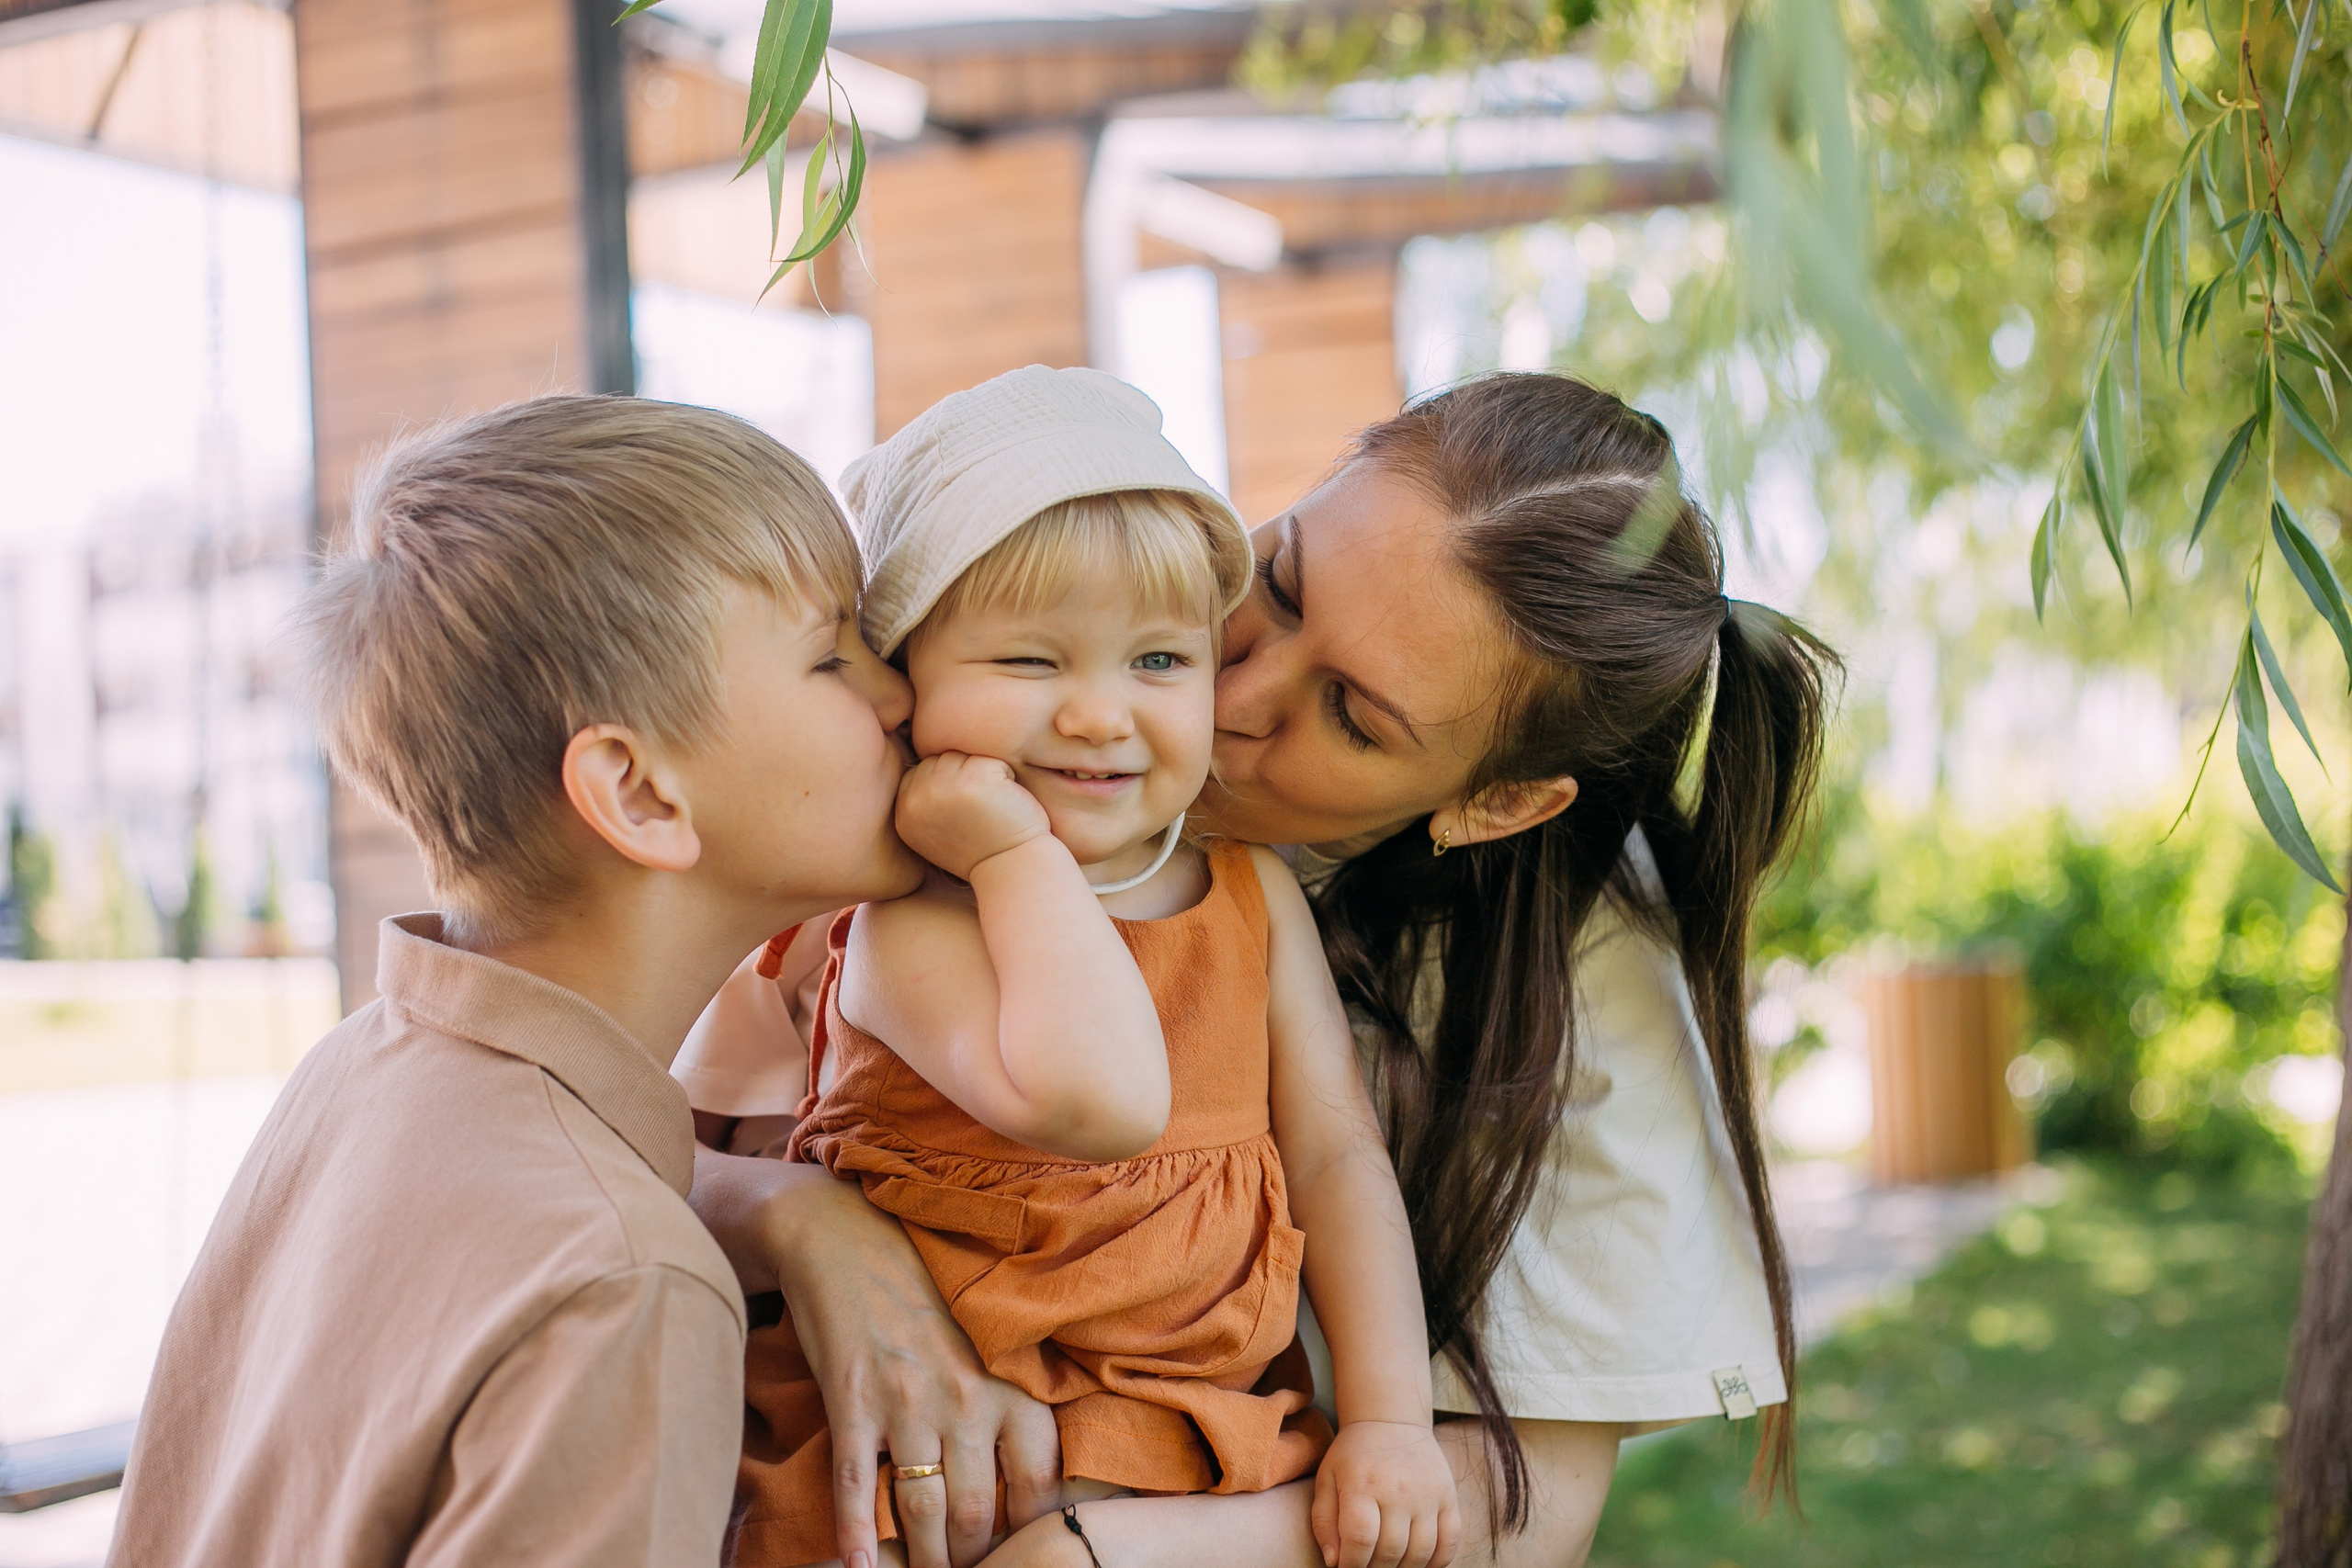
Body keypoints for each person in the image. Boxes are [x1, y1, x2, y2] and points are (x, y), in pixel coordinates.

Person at [686, 371, 1837, 1568]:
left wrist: (1083, 1553)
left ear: (1495, 804)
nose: (1228, 692)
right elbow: (630, 1139)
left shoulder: (1555, 978)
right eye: (1276, 584)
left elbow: (1527, 1507)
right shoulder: (909, 837)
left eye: (1351, 716)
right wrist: (799, 1222)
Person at [107, 397, 925, 1568]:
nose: (897, 695)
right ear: (637, 794)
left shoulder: (357, 1073)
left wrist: (773, 1206)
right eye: (830, 657)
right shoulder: (627, 1292)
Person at [710, 367, 1458, 1568]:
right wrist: (1011, 853)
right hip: (927, 1466)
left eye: (1159, 661)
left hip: (1189, 1443)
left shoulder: (1249, 890)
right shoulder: (916, 914)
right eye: (1029, 662)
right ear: (906, 676)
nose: (1102, 716)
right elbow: (1097, 1096)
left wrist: (1388, 1421)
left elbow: (1334, 1154)